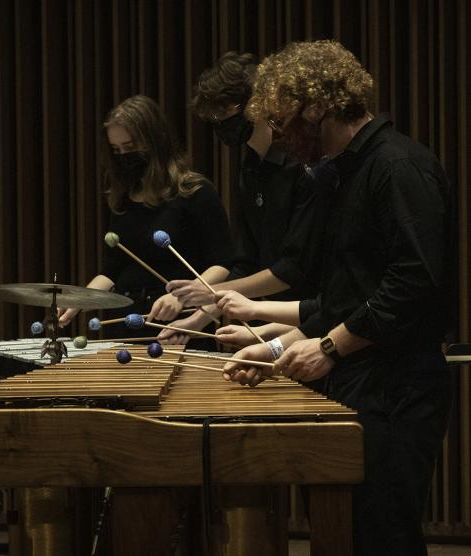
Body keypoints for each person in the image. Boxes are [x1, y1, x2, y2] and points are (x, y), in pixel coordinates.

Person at [220, 40, 454, 556]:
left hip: (398, 390)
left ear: (317, 107)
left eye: (282, 123)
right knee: (347, 537)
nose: (280, 138)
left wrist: (328, 350)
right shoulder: (343, 175)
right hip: (362, 383)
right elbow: (347, 297)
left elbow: (413, 283)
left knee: (384, 538)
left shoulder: (397, 166)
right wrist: (280, 349)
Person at [157, 51, 324, 344]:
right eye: (214, 117)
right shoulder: (250, 167)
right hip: (262, 320)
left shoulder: (301, 164)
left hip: (309, 323)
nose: (220, 122)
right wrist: (197, 319)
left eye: (226, 112)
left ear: (257, 103)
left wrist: (211, 292)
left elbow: (293, 270)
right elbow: (247, 261)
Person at [58, 95, 234, 338]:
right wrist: (81, 299)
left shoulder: (194, 191)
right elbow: (113, 270)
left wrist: (181, 297)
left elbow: (223, 262)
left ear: (154, 142)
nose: (124, 156)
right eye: (116, 150)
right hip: (124, 321)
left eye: (130, 148)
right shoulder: (124, 198)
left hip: (178, 322)